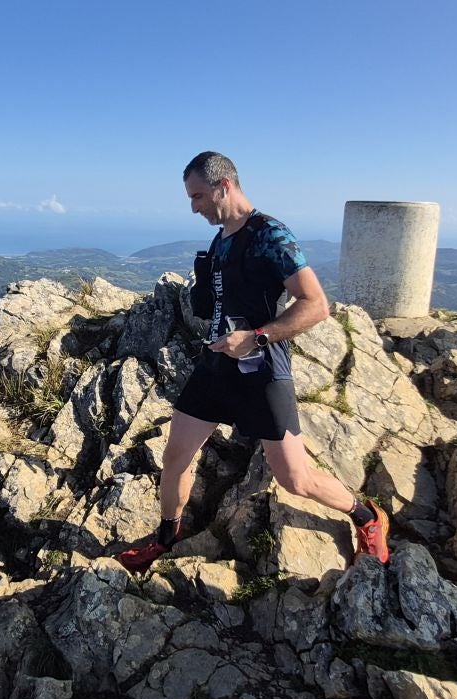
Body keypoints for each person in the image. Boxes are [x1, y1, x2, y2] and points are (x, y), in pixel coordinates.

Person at [115, 151, 389, 572]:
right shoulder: (222, 237)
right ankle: (166, 539)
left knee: (295, 478)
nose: (194, 207)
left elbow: (316, 304)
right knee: (175, 457)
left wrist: (256, 336)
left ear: (224, 186)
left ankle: (368, 518)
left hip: (262, 368)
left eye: (198, 196)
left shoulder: (270, 235)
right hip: (216, 365)